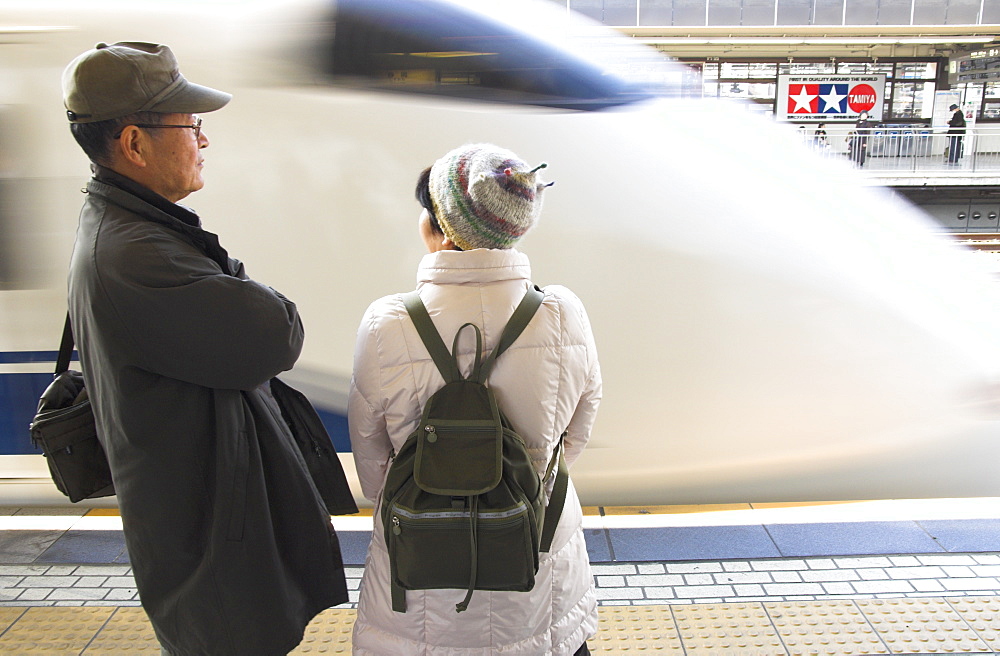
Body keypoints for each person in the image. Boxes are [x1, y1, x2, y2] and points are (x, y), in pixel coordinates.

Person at [62, 42, 350, 655]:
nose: (204, 141)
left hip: (206, 529)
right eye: (191, 126)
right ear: (135, 144)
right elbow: (278, 333)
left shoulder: (132, 229)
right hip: (213, 548)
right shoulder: (138, 257)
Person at [348, 143, 601, 655]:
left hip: (422, 570)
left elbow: (372, 463)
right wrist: (518, 479)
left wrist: (437, 497)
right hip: (537, 563)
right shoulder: (563, 313)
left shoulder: (386, 322)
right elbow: (577, 434)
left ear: (439, 224)